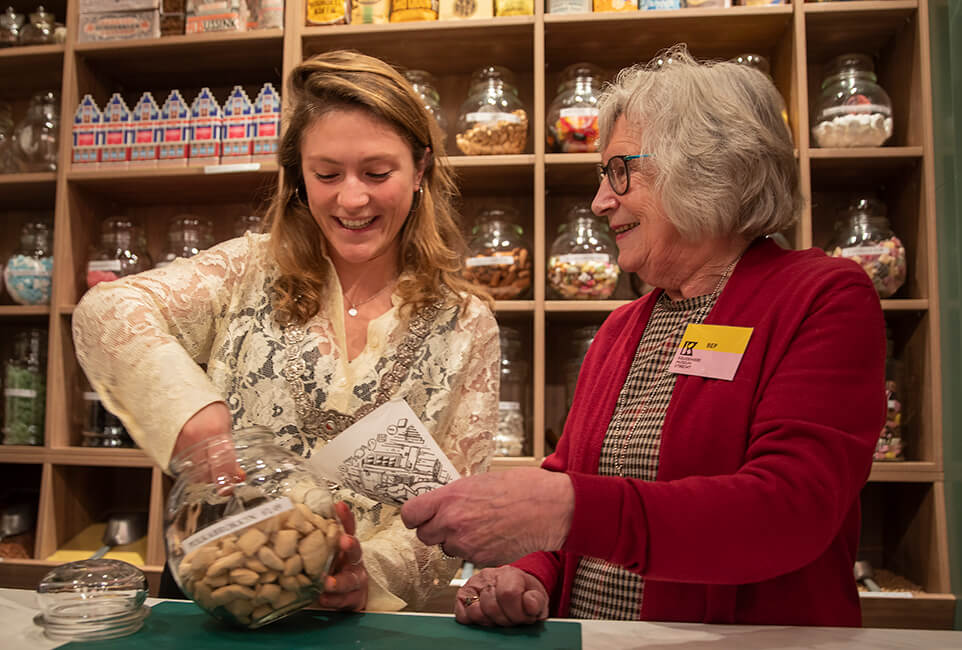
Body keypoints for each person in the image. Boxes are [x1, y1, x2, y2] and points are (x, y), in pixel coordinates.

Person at [401, 46, 885, 627]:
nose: (601, 201)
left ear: (705, 167)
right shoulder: (621, 328)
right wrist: (530, 571)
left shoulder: (822, 297)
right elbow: (572, 483)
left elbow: (790, 509)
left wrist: (567, 510)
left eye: (619, 172)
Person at [73, 50, 500, 612]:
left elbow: (456, 509)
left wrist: (362, 574)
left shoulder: (466, 322)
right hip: (221, 585)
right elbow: (108, 309)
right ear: (299, 174)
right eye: (326, 174)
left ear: (420, 169)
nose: (352, 198)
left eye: (377, 173)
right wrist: (189, 412)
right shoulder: (244, 273)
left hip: (362, 616)